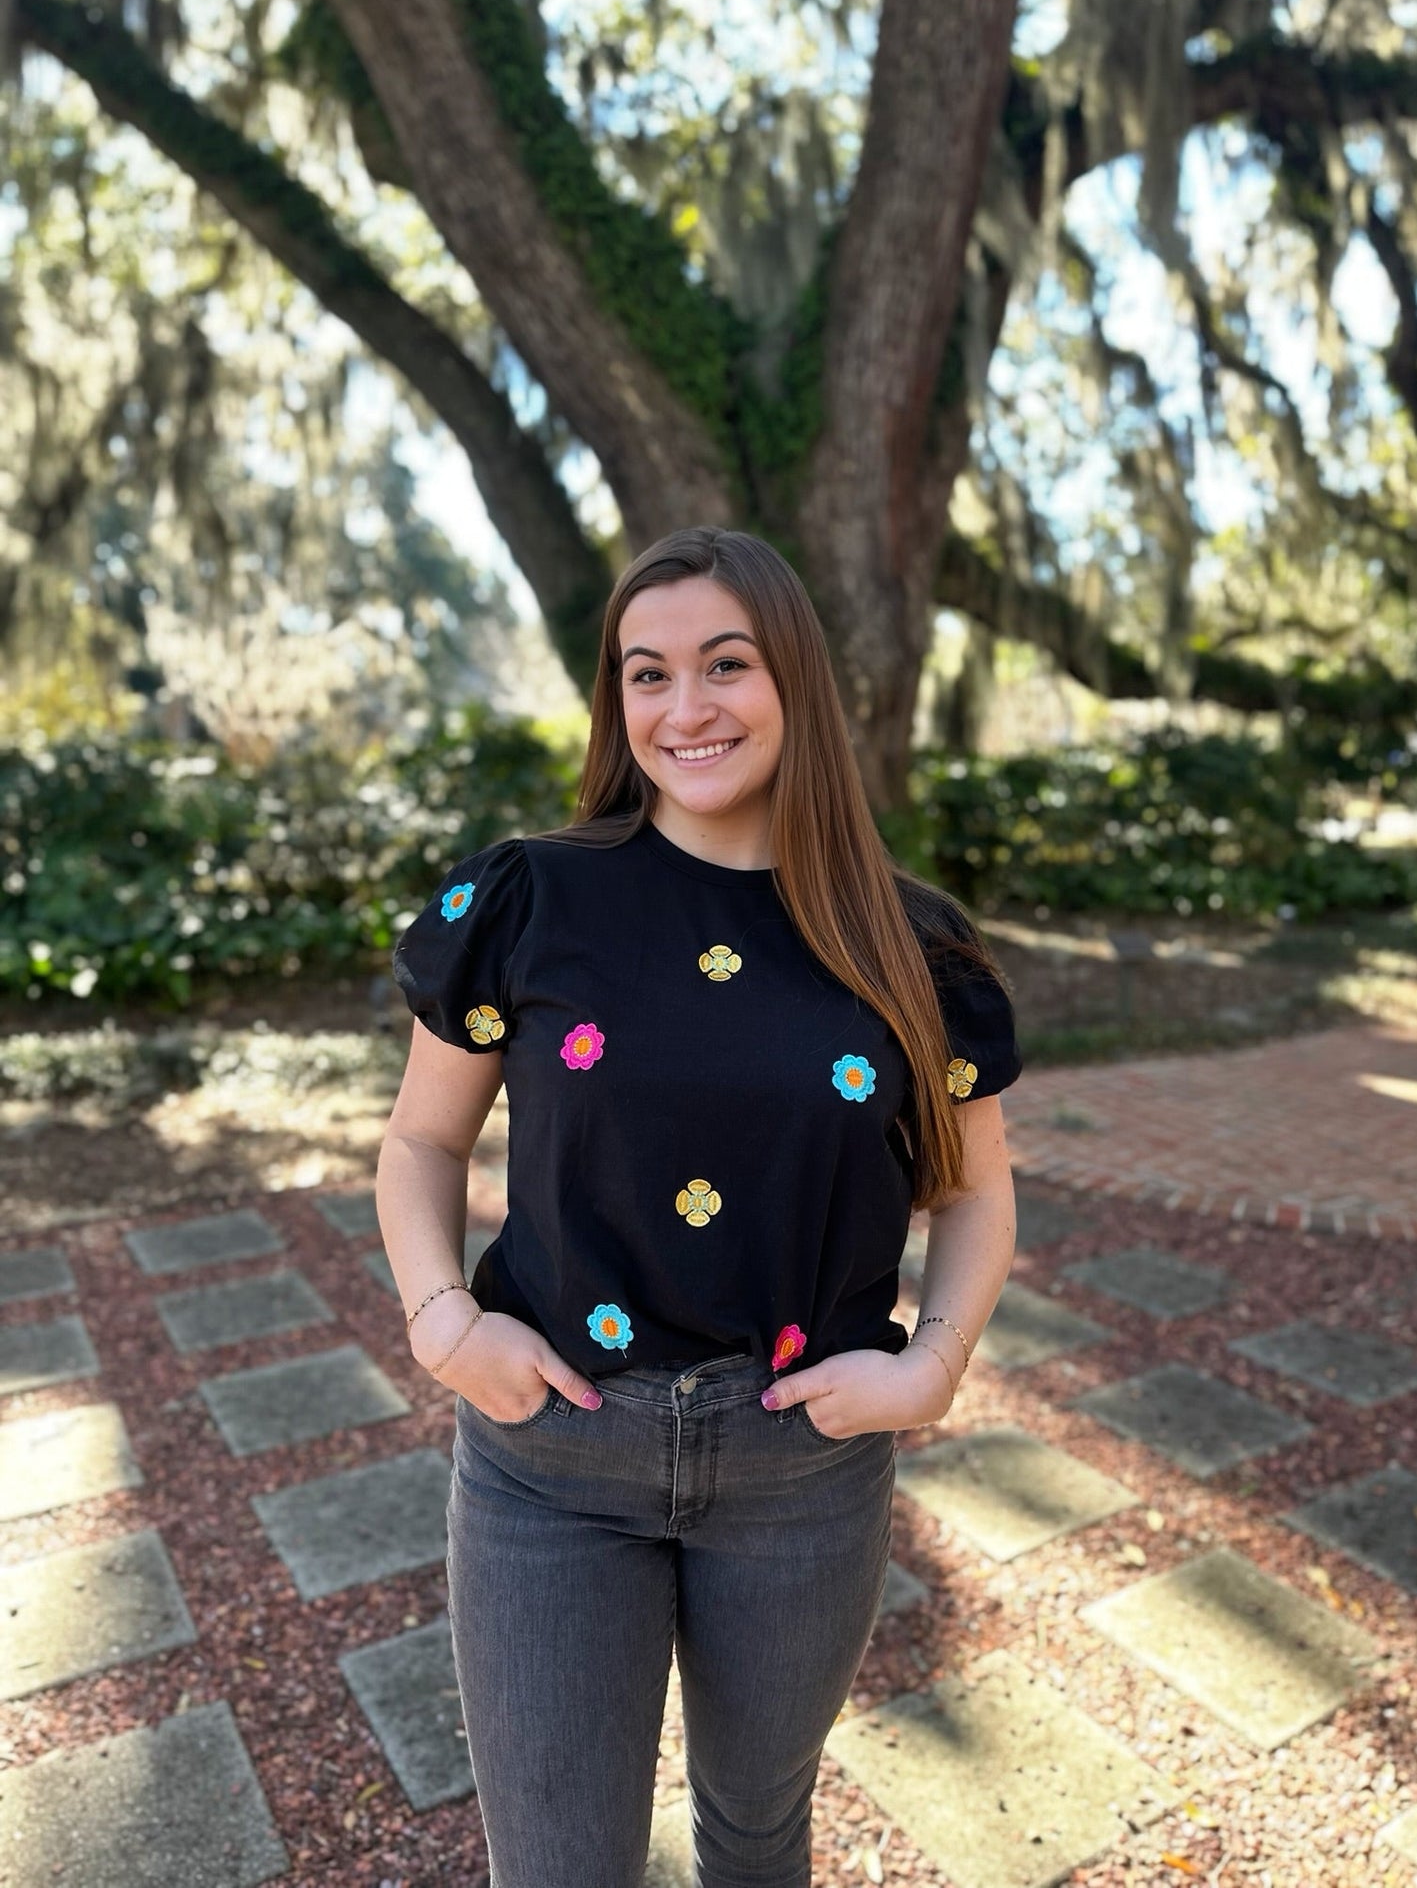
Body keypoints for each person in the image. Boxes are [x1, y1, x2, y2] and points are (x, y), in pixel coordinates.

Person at [378, 526, 1021, 1888]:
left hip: (804, 1476)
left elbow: (973, 1195)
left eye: (724, 666)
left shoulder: (912, 943)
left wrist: (933, 1368)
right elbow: (423, 1143)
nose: (685, 709)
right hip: (554, 1462)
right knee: (558, 1869)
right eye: (646, 674)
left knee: (753, 1834)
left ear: (791, 679)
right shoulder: (529, 898)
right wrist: (444, 1326)